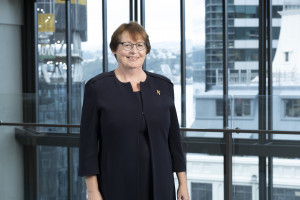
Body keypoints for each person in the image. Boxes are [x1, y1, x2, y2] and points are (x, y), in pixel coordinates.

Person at [78, 21, 189, 200]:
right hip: (115, 183)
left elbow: (174, 140)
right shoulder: (97, 88)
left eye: (139, 45)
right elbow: (88, 145)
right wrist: (92, 191)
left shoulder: (164, 86)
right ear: (115, 49)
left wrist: (182, 183)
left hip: (160, 184)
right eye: (127, 45)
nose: (134, 51)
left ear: (146, 50)